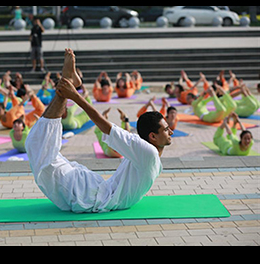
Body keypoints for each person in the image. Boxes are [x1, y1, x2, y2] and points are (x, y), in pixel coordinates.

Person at [25, 49, 173, 214]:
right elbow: (106, 126)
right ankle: (69, 81)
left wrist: (74, 95)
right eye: (166, 129)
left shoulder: (148, 154)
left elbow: (109, 128)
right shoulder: (149, 153)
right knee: (38, 147)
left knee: (37, 146)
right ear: (152, 136)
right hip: (92, 194)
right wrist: (74, 96)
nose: (171, 132)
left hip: (94, 196)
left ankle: (68, 81)